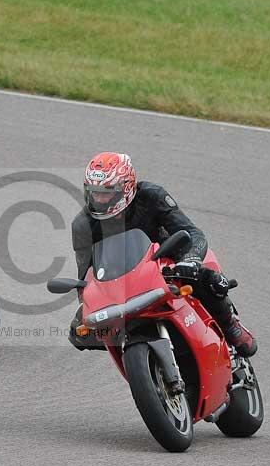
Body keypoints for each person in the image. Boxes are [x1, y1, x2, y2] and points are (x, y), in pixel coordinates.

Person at [68, 152, 257, 358]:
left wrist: (191, 259)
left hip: (169, 262)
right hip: (124, 280)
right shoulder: (83, 225)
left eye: (106, 193)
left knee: (209, 280)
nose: (100, 199)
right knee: (78, 332)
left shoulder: (151, 195)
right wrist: (87, 303)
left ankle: (230, 324)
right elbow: (86, 274)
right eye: (94, 193)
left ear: (127, 187)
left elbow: (192, 233)